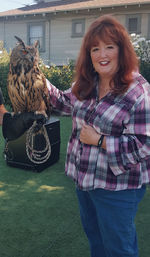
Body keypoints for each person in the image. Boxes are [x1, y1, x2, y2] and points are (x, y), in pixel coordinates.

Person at [2, 15, 150, 257]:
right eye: (95, 48)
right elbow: (61, 102)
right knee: (97, 242)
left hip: (117, 188)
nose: (102, 54)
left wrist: (101, 141)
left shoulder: (138, 91)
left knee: (119, 249)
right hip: (85, 181)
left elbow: (145, 145)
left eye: (109, 47)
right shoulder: (87, 84)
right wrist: (35, 78)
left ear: (122, 51)